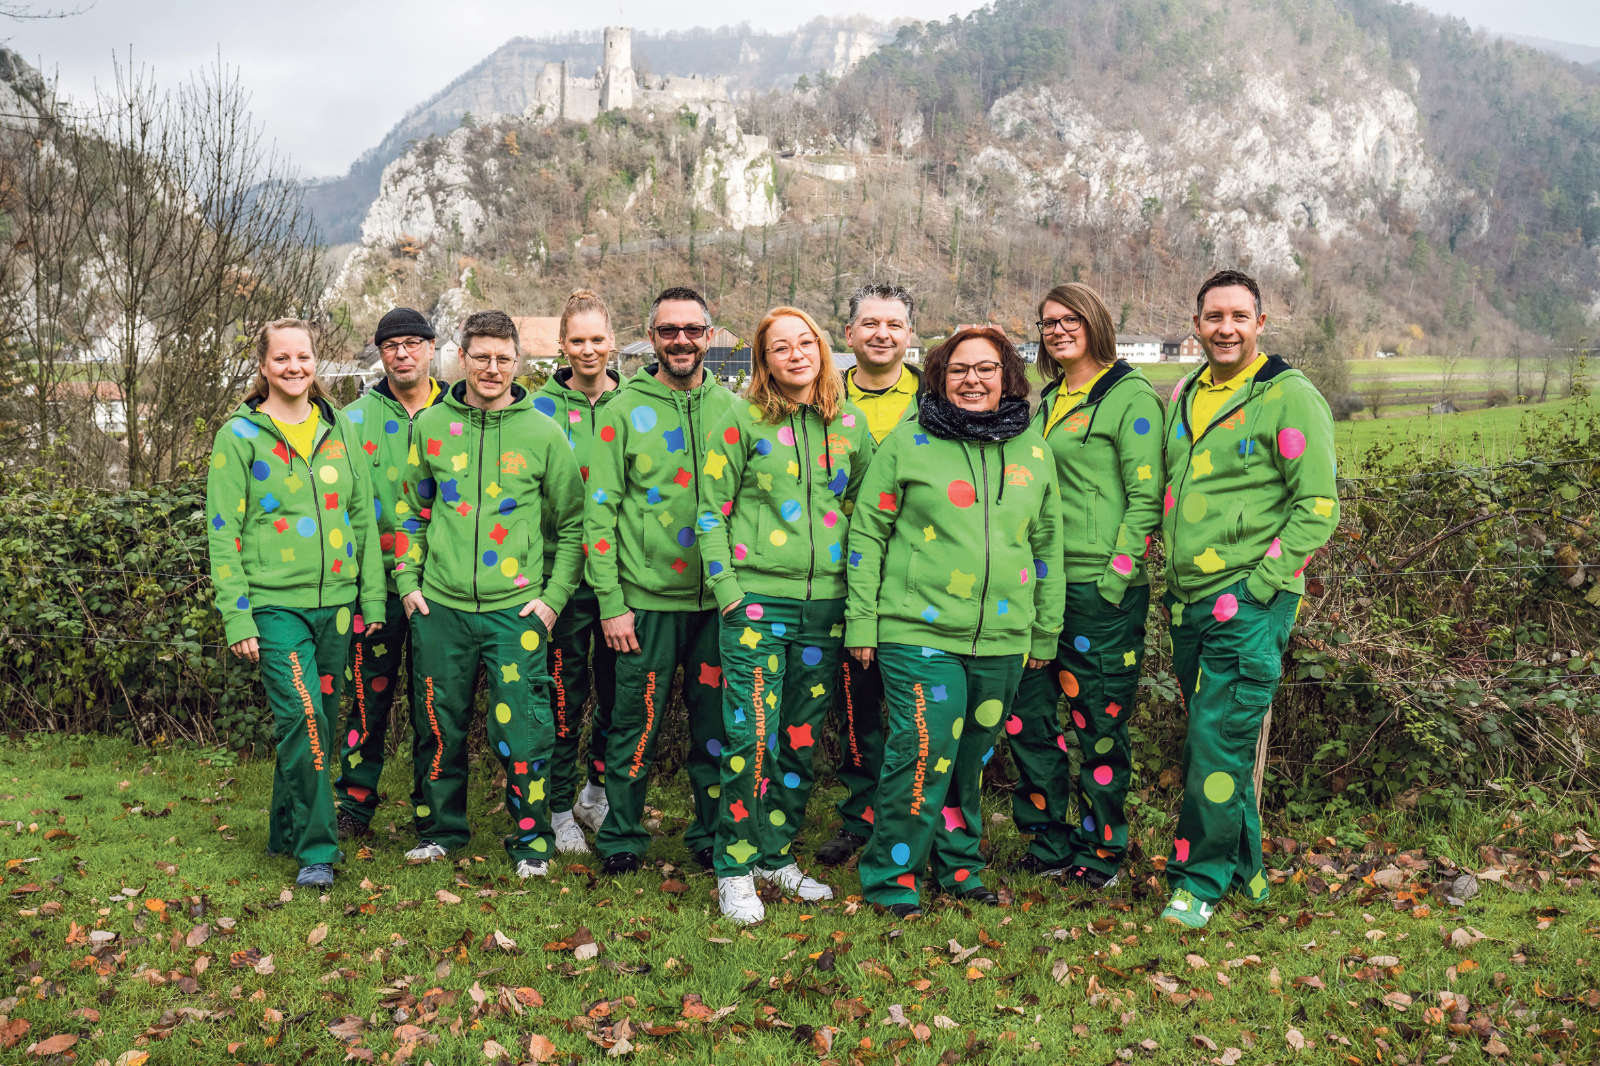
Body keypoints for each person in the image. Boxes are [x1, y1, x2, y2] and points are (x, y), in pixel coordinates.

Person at [845, 326, 1063, 917]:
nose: (973, 379)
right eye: (959, 369)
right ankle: (892, 876)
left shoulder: (1033, 449)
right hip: (916, 630)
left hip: (1004, 635)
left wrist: (1046, 628)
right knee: (922, 748)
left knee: (971, 755)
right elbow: (868, 531)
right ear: (939, 378)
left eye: (986, 369)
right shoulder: (908, 443)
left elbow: (1046, 542)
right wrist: (861, 621)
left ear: (1007, 377)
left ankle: (960, 865)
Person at [1160, 269, 1339, 928]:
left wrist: (1260, 584)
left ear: (1260, 323)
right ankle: (1246, 867)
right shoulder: (1184, 392)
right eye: (1213, 317)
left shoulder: (1289, 397)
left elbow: (1317, 505)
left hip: (1247, 601)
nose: (1225, 328)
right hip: (1187, 600)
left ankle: (1197, 880)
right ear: (1198, 324)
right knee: (1215, 743)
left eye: (1239, 316)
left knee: (1216, 742)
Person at [697, 306, 875, 923]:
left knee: (799, 738)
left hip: (824, 610)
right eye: (781, 348)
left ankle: (776, 854)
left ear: (824, 350)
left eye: (806, 343)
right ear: (763, 360)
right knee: (751, 737)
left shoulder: (850, 425)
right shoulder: (740, 419)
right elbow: (710, 510)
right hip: (754, 605)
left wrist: (859, 602)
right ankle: (735, 867)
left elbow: (869, 514)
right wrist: (728, 591)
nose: (796, 354)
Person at [394, 311, 585, 878]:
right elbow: (410, 510)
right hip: (440, 610)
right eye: (481, 357)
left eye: (503, 358)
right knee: (436, 723)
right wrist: (408, 584)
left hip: (515, 611)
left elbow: (573, 526)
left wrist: (552, 600)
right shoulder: (430, 426)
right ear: (461, 357)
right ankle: (440, 831)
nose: (492, 368)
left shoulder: (543, 432)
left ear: (518, 363)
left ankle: (531, 843)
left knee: (523, 727)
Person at [205, 319, 386, 887]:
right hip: (274, 607)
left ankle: (284, 829)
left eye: (303, 357)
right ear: (263, 366)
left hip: (335, 605)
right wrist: (238, 614)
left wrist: (371, 599)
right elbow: (221, 530)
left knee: (317, 726)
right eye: (281, 358)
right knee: (304, 717)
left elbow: (362, 515)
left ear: (315, 362)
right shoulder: (238, 435)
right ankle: (317, 850)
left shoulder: (338, 427)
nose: (294, 367)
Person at [1008, 283, 1164, 887]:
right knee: (1030, 715)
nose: (1058, 330)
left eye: (1070, 319)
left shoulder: (1129, 398)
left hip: (1098, 588)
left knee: (1099, 722)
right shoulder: (1048, 400)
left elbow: (1146, 495)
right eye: (1047, 322)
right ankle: (1048, 844)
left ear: (1096, 321)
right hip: (1037, 584)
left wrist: (1115, 578)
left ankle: (1103, 851)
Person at [583, 286, 736, 875]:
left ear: (709, 336)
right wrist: (612, 604)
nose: (681, 341)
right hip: (644, 606)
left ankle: (710, 833)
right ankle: (621, 835)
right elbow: (598, 514)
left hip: (717, 606)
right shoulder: (623, 410)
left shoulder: (734, 408)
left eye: (692, 330)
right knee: (634, 725)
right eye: (668, 330)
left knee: (715, 728)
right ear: (651, 338)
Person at [817, 282, 922, 868]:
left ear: (910, 335)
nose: (883, 333)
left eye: (895, 324)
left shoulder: (937, 396)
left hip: (920, 580)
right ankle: (861, 816)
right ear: (850, 333)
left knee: (921, 710)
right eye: (870, 323)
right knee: (858, 707)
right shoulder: (822, 396)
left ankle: (918, 817)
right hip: (846, 578)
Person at [333, 308, 445, 840]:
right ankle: (354, 805)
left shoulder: (461, 411)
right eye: (391, 344)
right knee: (367, 699)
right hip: (374, 586)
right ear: (381, 354)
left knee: (436, 704)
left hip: (440, 586)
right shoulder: (352, 420)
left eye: (412, 342)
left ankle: (434, 812)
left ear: (431, 347)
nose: (402, 352)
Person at [532, 289, 622, 854]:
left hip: (622, 580)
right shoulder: (536, 408)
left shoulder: (638, 401)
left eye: (597, 339)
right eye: (577, 341)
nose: (588, 351)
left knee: (619, 698)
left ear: (612, 342)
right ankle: (558, 807)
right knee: (565, 698)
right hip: (560, 579)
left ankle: (596, 792)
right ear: (561, 346)